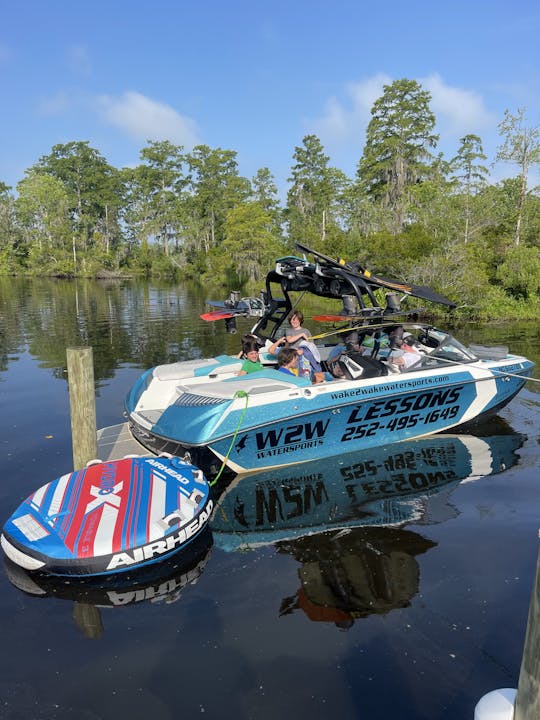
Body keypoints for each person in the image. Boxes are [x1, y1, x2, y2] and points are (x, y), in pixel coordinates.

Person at [269, 310, 325, 382]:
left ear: (300, 320)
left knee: (306, 373)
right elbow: (289, 340)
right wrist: (301, 335)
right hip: (291, 354)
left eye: (297, 320)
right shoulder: (289, 331)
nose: (294, 322)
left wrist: (303, 350)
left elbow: (312, 347)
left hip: (303, 358)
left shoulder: (306, 331)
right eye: (293, 319)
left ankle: (307, 380)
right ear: (290, 320)